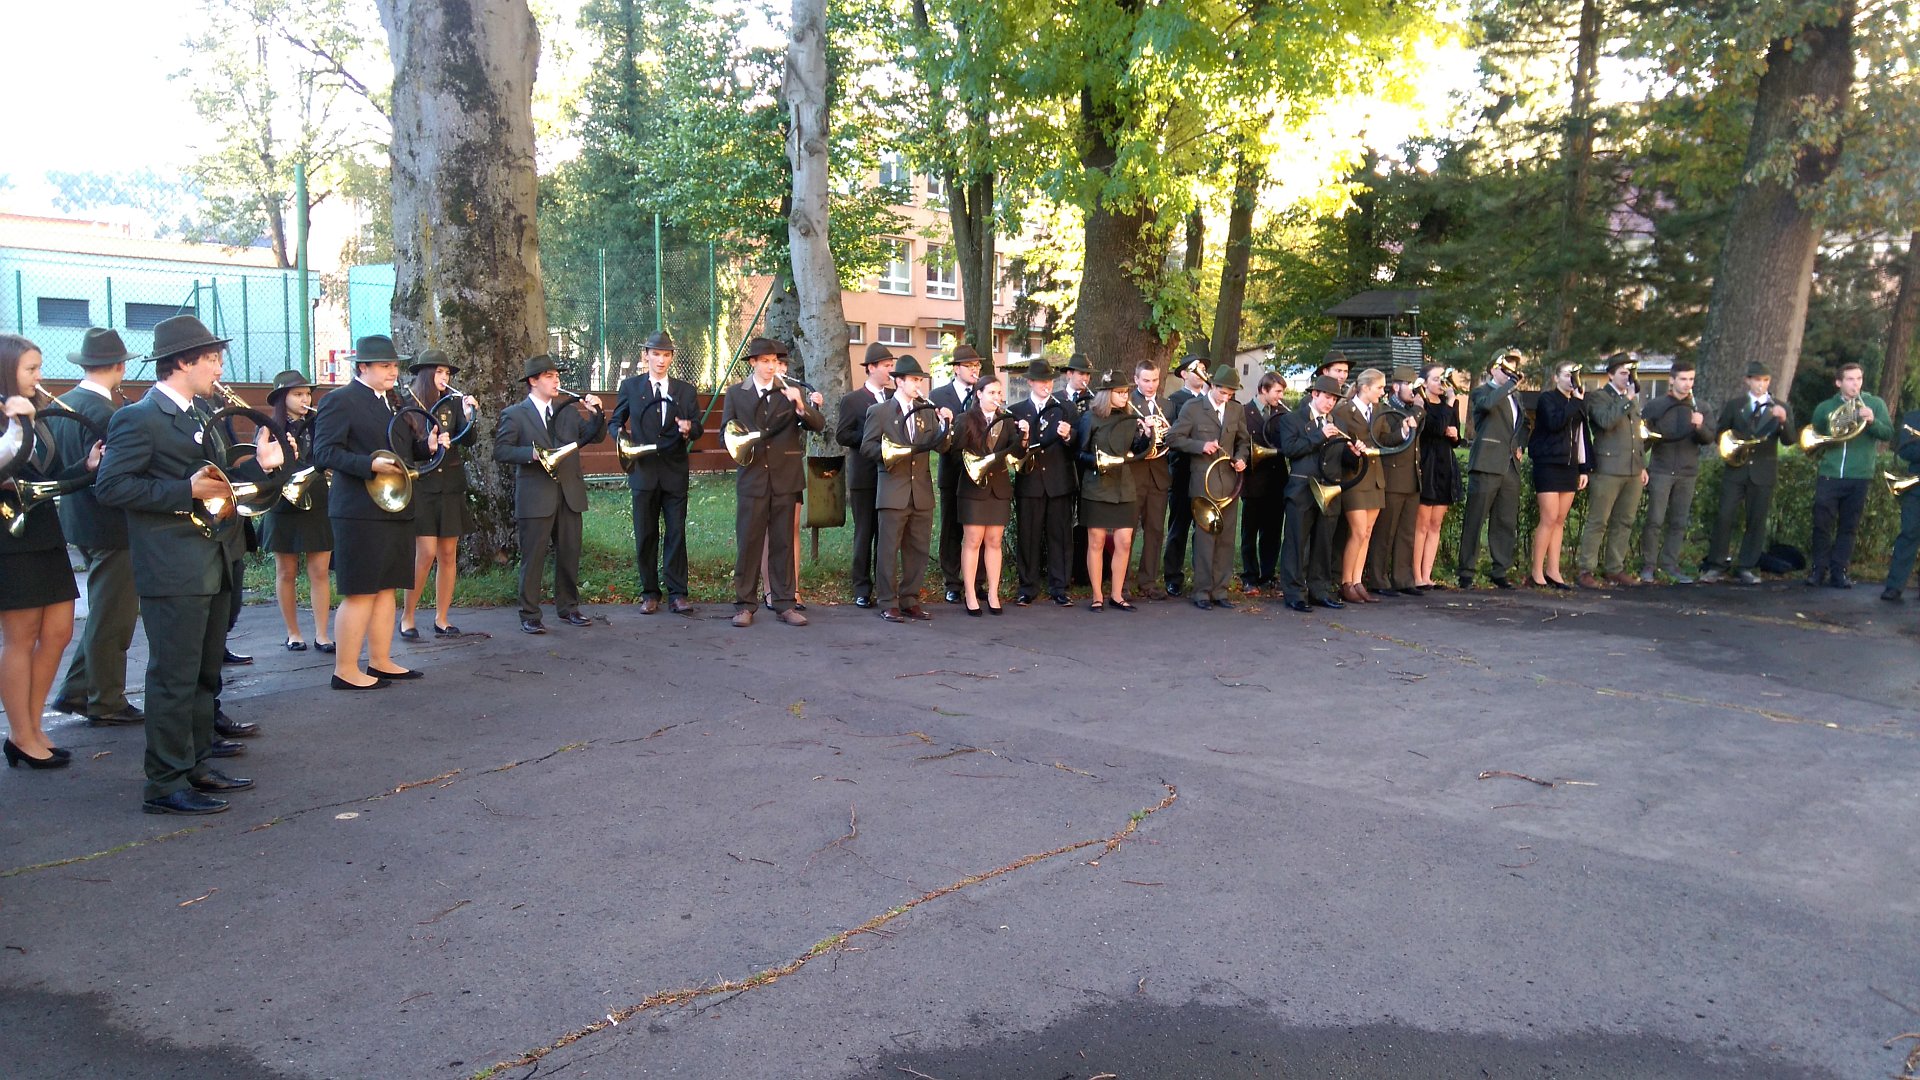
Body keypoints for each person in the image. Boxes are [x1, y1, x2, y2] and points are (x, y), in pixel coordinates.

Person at [95, 315, 284, 812]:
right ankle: (164, 783)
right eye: (212, 359)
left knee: (204, 674)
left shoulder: (200, 412)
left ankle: (196, 765)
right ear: (182, 362)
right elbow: (111, 486)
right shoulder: (138, 417)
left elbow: (217, 481)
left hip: (214, 557)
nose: (220, 367)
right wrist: (184, 491)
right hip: (173, 567)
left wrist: (258, 466)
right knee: (174, 677)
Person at [0, 334, 98, 769]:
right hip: (10, 538)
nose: (39, 377)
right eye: (30, 369)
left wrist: (87, 468)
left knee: (58, 632)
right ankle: (21, 735)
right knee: (20, 638)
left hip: (45, 533)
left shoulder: (35, 415)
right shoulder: (12, 417)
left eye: (39, 367)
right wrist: (17, 425)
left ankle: (33, 726)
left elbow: (50, 479)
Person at [312, 335, 429, 686]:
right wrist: (369, 465)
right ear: (362, 367)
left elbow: (402, 451)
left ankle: (380, 660)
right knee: (361, 590)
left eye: (395, 365)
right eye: (385, 365)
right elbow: (323, 453)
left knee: (387, 587)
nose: (393, 371)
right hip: (359, 511)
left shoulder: (391, 402)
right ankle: (345, 670)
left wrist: (428, 447)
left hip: (394, 506)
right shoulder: (339, 400)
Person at [51, 328, 143, 727]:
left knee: (105, 611)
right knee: (113, 619)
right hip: (111, 526)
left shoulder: (65, 402)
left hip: (79, 521)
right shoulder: (109, 413)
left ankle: (77, 691)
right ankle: (105, 701)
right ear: (120, 366)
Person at [493, 354, 606, 634]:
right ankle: (530, 613)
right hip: (536, 496)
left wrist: (597, 414)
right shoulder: (515, 414)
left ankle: (569, 607)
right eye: (549, 376)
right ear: (533, 381)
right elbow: (502, 450)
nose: (556, 380)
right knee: (534, 557)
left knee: (570, 552)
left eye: (557, 375)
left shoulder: (566, 411)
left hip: (569, 493)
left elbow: (595, 436)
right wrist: (532, 454)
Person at [721, 337, 822, 627]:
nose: (770, 366)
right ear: (753, 362)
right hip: (752, 478)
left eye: (775, 362)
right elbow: (726, 433)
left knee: (783, 543)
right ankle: (744, 605)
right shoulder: (736, 393)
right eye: (765, 361)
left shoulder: (789, 391)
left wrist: (800, 404)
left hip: (785, 478)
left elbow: (817, 424)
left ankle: (785, 603)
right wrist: (741, 441)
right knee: (749, 542)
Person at [612, 331, 703, 616]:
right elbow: (615, 421)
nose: (661, 360)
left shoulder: (685, 390)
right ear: (646, 356)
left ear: (671, 358)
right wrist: (621, 438)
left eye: (666, 355)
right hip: (643, 472)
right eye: (656, 354)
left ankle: (678, 594)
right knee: (646, 533)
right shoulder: (630, 386)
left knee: (676, 533)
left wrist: (689, 428)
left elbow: (698, 427)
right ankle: (650, 593)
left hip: (674, 471)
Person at [863, 355, 955, 622]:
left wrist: (946, 425)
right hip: (893, 490)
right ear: (899, 382)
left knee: (918, 550)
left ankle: (910, 599)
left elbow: (942, 447)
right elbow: (867, 447)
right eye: (914, 380)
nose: (918, 385)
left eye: (920, 380)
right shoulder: (880, 411)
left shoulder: (926, 411)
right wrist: (892, 454)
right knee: (888, 550)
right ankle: (887, 601)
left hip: (921, 492)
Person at [400, 351, 477, 637]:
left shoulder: (453, 402)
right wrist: (428, 447)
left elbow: (468, 440)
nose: (445, 378)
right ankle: (407, 616)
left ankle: (442, 617)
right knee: (426, 553)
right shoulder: (408, 404)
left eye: (448, 373)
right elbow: (405, 450)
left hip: (450, 485)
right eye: (439, 372)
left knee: (448, 553)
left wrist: (468, 416)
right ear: (426, 374)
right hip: (423, 485)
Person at [259, 370, 335, 652]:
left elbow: (327, 458)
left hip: (317, 499)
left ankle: (322, 634)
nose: (306, 399)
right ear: (283, 398)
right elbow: (263, 467)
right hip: (283, 503)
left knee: (320, 571)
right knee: (286, 571)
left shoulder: (319, 424)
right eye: (298, 394)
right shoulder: (268, 428)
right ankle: (293, 633)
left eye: (308, 394)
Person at [1700, 361, 1793, 584]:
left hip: (1763, 470)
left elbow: (1790, 440)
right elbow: (1720, 435)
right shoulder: (1735, 405)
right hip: (1736, 469)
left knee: (1756, 520)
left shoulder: (1780, 407)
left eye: (1765, 380)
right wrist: (1733, 445)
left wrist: (1784, 420)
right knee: (1724, 516)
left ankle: (1746, 566)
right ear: (1747, 381)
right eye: (1757, 380)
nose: (1761, 385)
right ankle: (1716, 564)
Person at [1167, 364, 1250, 609]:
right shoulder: (1193, 408)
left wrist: (1241, 458)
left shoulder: (1236, 410)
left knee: (1226, 538)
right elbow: (1173, 438)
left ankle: (1220, 591)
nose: (1226, 398)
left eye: (1230, 394)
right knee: (1205, 538)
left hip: (1230, 483)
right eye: (1222, 392)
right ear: (1212, 386)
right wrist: (1200, 446)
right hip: (1203, 482)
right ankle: (1202, 591)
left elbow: (1243, 441)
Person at [1804, 361, 1893, 588]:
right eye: (1850, 379)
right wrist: (1844, 421)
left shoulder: (1875, 404)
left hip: (1859, 475)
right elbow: (1818, 434)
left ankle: (1839, 572)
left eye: (1859, 379)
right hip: (1830, 473)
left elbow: (1887, 433)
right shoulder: (1825, 407)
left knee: (1849, 526)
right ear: (1839, 382)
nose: (1856, 384)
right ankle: (1818, 569)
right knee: (1821, 523)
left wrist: (1871, 421)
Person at [1077, 368, 1151, 612]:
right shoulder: (1091, 418)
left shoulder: (1130, 418)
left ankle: (1117, 595)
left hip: (1123, 486)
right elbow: (1079, 453)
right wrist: (1099, 462)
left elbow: (1138, 451)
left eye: (1126, 392)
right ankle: (1097, 595)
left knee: (1125, 542)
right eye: (1120, 392)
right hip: (1097, 486)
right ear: (1107, 393)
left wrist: (1147, 435)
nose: (1124, 396)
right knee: (1096, 542)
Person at [1008, 358, 1077, 606]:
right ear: (1030, 382)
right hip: (1030, 482)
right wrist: (1023, 438)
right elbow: (1013, 451)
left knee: (1061, 536)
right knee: (1028, 536)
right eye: (1040, 381)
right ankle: (1027, 587)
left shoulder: (1065, 407)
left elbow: (1078, 443)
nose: (1046, 385)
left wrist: (1068, 436)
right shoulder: (1016, 411)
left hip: (1059, 482)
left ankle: (1060, 587)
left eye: (1049, 380)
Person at [1575, 353, 1648, 589]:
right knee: (1598, 521)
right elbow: (1605, 422)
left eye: (1631, 374)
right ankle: (1586, 569)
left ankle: (1614, 568)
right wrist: (1626, 399)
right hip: (1607, 469)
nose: (1628, 378)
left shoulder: (1630, 400)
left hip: (1632, 470)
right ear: (1610, 375)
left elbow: (1637, 435)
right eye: (1624, 373)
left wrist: (1641, 465)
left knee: (1624, 521)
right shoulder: (1599, 397)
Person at [1278, 375, 1349, 612]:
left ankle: (1320, 590)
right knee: (1296, 542)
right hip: (1302, 489)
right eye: (1327, 397)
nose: (1330, 403)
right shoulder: (1292, 419)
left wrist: (1354, 453)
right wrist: (1320, 435)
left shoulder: (1339, 423)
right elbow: (1290, 449)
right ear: (1314, 394)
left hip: (1329, 490)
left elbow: (1341, 458)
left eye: (1334, 399)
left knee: (1323, 543)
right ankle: (1294, 593)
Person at [758, 351, 824, 610]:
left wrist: (808, 406)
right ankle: (769, 590)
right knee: (766, 531)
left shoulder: (792, 393)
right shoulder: (759, 393)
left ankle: (793, 589)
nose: (780, 369)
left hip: (790, 471)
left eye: (782, 364)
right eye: (775, 364)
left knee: (792, 528)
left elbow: (814, 425)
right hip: (764, 469)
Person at [1459, 351, 1530, 589]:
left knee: (1505, 520)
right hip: (1487, 462)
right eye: (1505, 369)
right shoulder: (1482, 392)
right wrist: (1509, 385)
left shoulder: (1515, 396)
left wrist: (1520, 444)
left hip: (1510, 465)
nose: (1510, 374)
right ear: (1493, 370)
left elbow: (1524, 424)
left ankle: (1500, 570)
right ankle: (1466, 572)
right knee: (1475, 518)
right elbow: (1487, 406)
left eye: (1513, 370)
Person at [955, 377, 1025, 615]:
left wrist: (1024, 437)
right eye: (992, 392)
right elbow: (955, 452)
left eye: (999, 393)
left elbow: (1017, 453)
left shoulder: (1006, 421)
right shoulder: (965, 419)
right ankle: (970, 593)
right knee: (973, 540)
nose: (997, 397)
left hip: (998, 487)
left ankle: (993, 593)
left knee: (994, 541)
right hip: (973, 488)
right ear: (979, 394)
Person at [1638, 361, 1712, 584]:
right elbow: (1643, 440)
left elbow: (1709, 439)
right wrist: (1640, 465)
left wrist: (1700, 426)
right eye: (1683, 379)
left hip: (1687, 472)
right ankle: (1648, 565)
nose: (1687, 384)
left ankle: (1669, 565)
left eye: (1691, 379)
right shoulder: (1656, 405)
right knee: (1654, 520)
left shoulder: (1701, 407)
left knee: (1678, 522)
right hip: (1661, 469)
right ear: (1672, 380)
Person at [836, 342, 897, 608]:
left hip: (891, 476)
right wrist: (872, 438)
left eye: (891, 366)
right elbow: (842, 434)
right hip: (864, 477)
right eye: (886, 366)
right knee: (864, 533)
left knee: (886, 535)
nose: (890, 371)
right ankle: (861, 587)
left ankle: (886, 587)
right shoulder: (853, 400)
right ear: (871, 368)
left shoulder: (895, 396)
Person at [1527, 361, 1589, 590]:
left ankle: (1553, 570)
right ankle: (1536, 570)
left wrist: (1584, 467)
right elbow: (1555, 423)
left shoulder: (1578, 401)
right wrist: (1576, 402)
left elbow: (1582, 435)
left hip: (1569, 465)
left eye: (1574, 375)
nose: (1571, 379)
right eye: (1566, 375)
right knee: (1549, 517)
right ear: (1556, 378)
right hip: (1548, 463)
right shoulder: (1547, 399)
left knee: (1560, 520)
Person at [931, 343, 985, 603]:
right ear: (956, 369)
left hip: (979, 473)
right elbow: (935, 435)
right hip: (952, 470)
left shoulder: (984, 392)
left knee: (978, 529)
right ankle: (952, 582)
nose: (975, 370)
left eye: (977, 365)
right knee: (951, 529)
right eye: (969, 365)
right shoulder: (938, 395)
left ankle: (978, 581)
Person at [1331, 368, 1390, 603]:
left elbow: (1385, 439)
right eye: (1379, 387)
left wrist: (1405, 430)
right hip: (1354, 477)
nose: (1382, 392)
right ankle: (1346, 582)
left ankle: (1357, 581)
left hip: (1375, 476)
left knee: (1367, 532)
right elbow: (1338, 444)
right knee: (1357, 531)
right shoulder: (1344, 411)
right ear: (1365, 387)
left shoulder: (1379, 410)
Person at [1365, 367, 1425, 597]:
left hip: (1411, 478)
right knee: (1385, 532)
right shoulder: (1386, 410)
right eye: (1410, 385)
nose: (1414, 391)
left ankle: (1402, 578)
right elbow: (1387, 440)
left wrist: (1418, 409)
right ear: (1396, 386)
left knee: (1406, 533)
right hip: (1393, 478)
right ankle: (1378, 578)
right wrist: (1416, 411)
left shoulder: (1412, 409)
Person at [1161, 353, 1211, 595]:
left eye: (1203, 369)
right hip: (1182, 470)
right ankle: (1173, 576)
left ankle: (1202, 577)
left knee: (1204, 526)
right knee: (1178, 525)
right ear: (1183, 374)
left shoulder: (1210, 399)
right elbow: (1173, 437)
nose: (1202, 373)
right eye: (1196, 369)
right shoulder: (1175, 401)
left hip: (1206, 471)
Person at [1413, 364, 1466, 591]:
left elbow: (1455, 435)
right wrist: (1451, 403)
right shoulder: (1421, 403)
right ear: (1424, 383)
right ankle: (1416, 575)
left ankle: (1427, 574)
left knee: (1436, 524)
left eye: (1442, 379)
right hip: (1428, 464)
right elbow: (1435, 428)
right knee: (1422, 524)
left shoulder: (1448, 405)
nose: (1441, 383)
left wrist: (1454, 435)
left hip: (1445, 463)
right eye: (1435, 379)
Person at [1127, 360, 1173, 599]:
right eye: (1145, 380)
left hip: (1159, 475)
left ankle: (1148, 582)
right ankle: (1122, 583)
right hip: (1134, 474)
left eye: (1154, 380)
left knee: (1155, 530)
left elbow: (1173, 437)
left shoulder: (1168, 405)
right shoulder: (1127, 403)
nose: (1150, 385)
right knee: (1127, 531)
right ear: (1136, 379)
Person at [1239, 372, 1288, 596]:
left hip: (1276, 481)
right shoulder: (1244, 412)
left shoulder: (1282, 413)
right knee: (1249, 533)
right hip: (1253, 480)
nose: (1281, 396)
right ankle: (1250, 577)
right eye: (1277, 391)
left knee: (1272, 533)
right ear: (1263, 390)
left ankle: (1267, 575)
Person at [1880, 407, 1920, 602]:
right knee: (1908, 534)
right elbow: (1905, 450)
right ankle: (1894, 586)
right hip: (1916, 488)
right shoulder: (1912, 418)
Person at [1063, 352, 1095, 587]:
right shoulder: (1057, 398)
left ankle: (1082, 571)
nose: (1085, 378)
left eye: (1088, 375)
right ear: (1069, 374)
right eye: (1081, 373)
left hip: (1085, 465)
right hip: (1062, 464)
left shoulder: (1094, 402)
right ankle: (1063, 571)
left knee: (1085, 518)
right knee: (1063, 518)